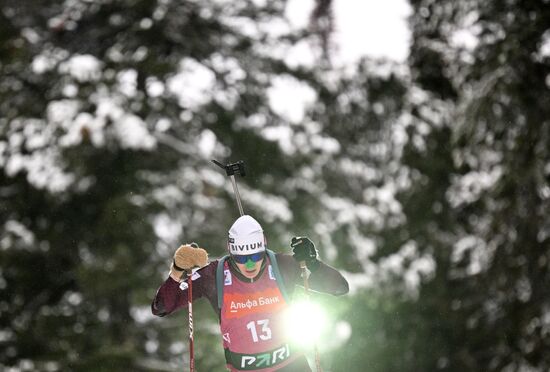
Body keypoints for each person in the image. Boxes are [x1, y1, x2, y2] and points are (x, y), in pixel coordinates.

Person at [152, 215, 349, 371]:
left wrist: (313, 264)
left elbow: (339, 288)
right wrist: (177, 270)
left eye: (255, 256)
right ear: (231, 251)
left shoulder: (282, 265)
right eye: (241, 257)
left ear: (264, 247)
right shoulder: (214, 274)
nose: (249, 264)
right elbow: (161, 307)